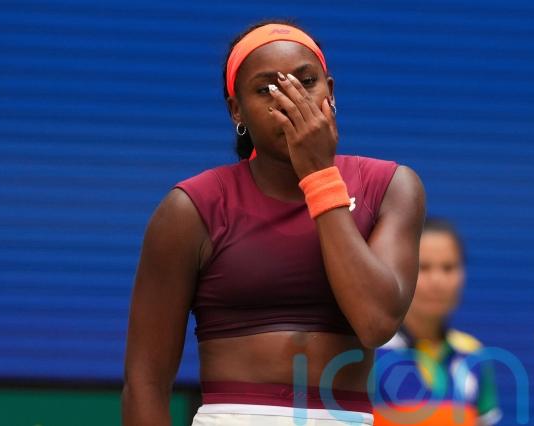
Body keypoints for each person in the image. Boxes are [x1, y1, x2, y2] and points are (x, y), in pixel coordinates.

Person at [122, 19, 426, 426]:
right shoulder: (191, 208)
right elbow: (145, 382)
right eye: (266, 89)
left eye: (306, 82)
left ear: (330, 92)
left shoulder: (389, 186)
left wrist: (319, 178)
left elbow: (375, 323)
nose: (289, 101)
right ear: (236, 110)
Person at [373, 218, 502, 426]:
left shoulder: (474, 355)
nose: (437, 281)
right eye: (424, 267)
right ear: (399, 270)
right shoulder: (369, 353)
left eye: (448, 268)